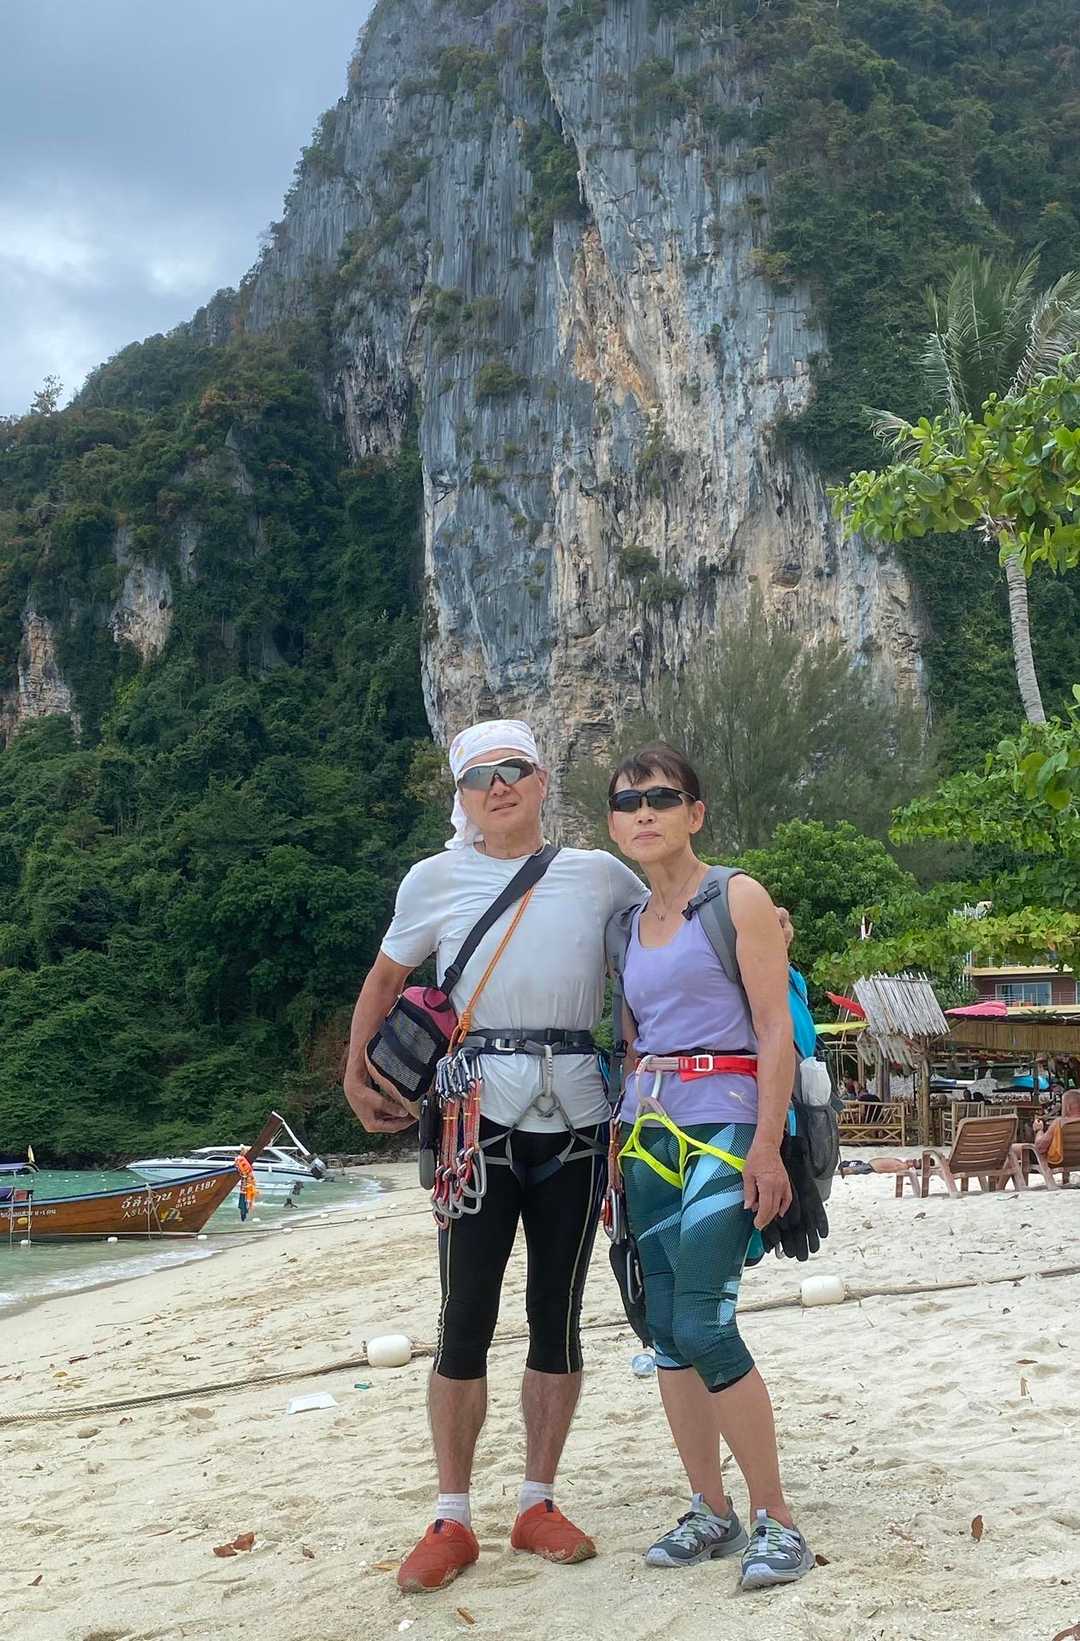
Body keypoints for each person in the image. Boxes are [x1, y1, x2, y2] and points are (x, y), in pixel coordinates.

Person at [343, 719, 644, 1594]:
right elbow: (384, 980)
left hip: (579, 1116)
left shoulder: (598, 875)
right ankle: (452, 1515)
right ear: (462, 797)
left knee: (558, 1310)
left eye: (513, 769)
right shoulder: (433, 880)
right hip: (476, 1120)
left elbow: (672, 909)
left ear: (542, 780)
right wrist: (356, 1073)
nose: (499, 786)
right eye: (480, 777)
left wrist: (756, 918)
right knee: (463, 1313)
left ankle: (537, 1501)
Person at [605, 742, 815, 1592]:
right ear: (614, 824)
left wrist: (768, 1145)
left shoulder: (737, 897)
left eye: (662, 797)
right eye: (628, 802)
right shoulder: (626, 923)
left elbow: (772, 1030)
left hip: (727, 1123)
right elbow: (630, 1045)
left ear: (694, 813)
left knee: (703, 1319)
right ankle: (710, 1508)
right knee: (663, 1329)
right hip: (648, 1134)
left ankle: (777, 1518)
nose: (644, 813)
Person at [1034, 1087, 1080, 1155]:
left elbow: (1040, 1148)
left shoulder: (1059, 1123)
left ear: (1068, 1107)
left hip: (1061, 1160)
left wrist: (1039, 1130)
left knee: (1016, 1149)